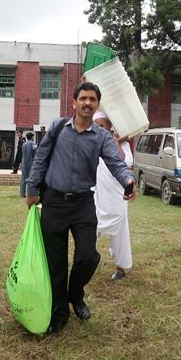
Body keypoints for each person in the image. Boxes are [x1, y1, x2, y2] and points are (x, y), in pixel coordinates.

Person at [24, 82, 135, 335]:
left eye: (92, 99)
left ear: (97, 105)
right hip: (53, 202)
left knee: (87, 256)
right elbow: (41, 158)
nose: (87, 103)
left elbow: (116, 164)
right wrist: (31, 189)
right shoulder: (57, 128)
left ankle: (75, 294)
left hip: (83, 203)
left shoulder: (102, 137)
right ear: (74, 102)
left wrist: (128, 180)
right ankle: (59, 314)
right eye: (83, 98)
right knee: (56, 262)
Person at [92, 112, 134, 281]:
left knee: (120, 233)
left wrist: (115, 142)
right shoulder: (92, 142)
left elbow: (125, 163)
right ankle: (86, 263)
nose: (99, 129)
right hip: (98, 194)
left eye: (102, 126)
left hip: (117, 196)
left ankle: (120, 267)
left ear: (110, 126)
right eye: (96, 126)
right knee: (90, 230)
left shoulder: (122, 144)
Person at [18, 131, 37, 198]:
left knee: (23, 179)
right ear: (31, 137)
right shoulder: (33, 144)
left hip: (24, 164)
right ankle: (30, 194)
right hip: (31, 164)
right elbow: (35, 153)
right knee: (31, 179)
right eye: (33, 137)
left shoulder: (24, 144)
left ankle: (22, 194)